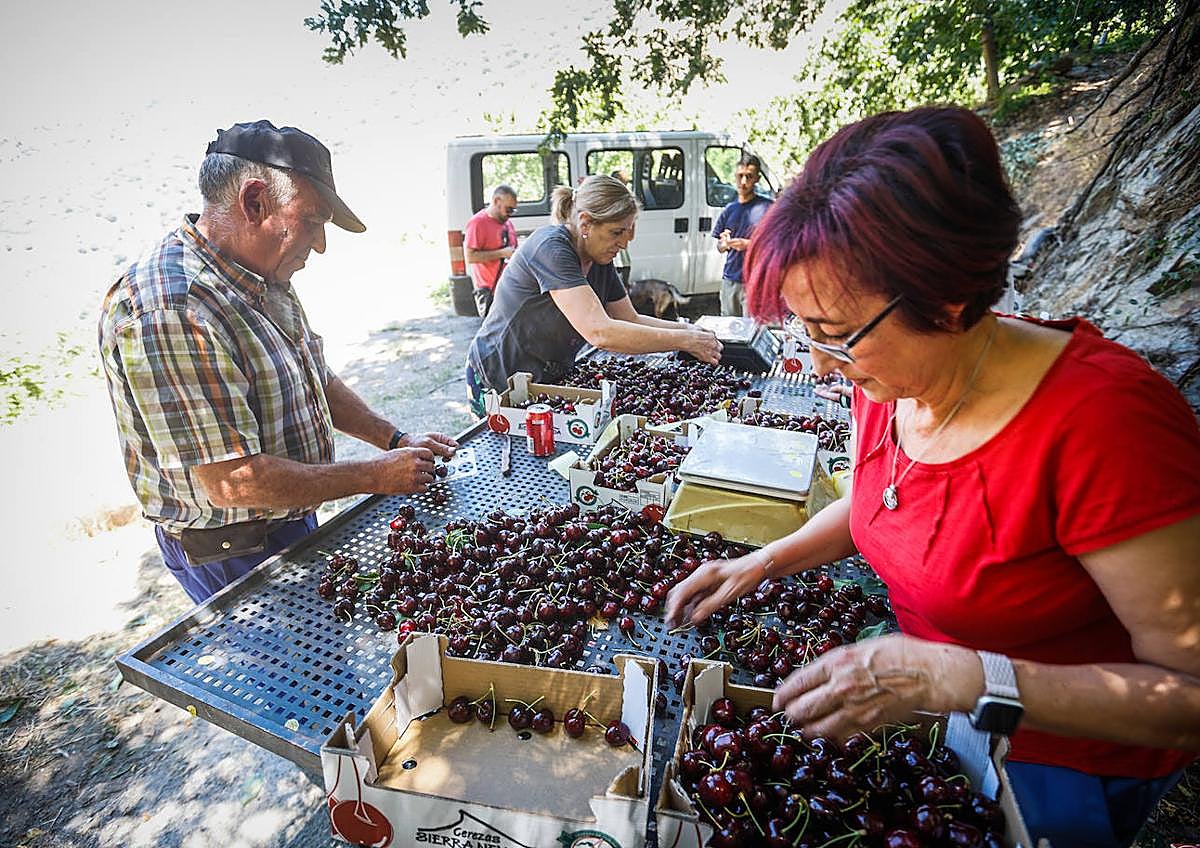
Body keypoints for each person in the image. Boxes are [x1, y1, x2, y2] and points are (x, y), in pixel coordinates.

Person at [666, 107, 1199, 847]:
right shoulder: (888, 379)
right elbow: (885, 499)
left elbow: (1189, 695)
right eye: (801, 330)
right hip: (942, 719)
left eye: (833, 336)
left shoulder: (1107, 425)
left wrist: (965, 679)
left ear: (945, 303)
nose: (818, 364)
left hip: (1064, 764)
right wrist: (763, 562)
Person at [99, 120, 458, 605]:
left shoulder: (263, 278)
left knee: (331, 645)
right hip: (234, 550)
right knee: (294, 657)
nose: (321, 244)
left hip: (290, 514)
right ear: (254, 203)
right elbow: (233, 482)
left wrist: (395, 440)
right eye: (312, 221)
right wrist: (374, 475)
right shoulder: (172, 309)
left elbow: (314, 379)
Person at [465, 174, 722, 414]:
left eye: (628, 232)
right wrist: (684, 341)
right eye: (617, 232)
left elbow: (629, 319)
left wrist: (688, 330)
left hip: (545, 379)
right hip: (499, 378)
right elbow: (599, 332)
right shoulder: (551, 248)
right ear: (586, 223)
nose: (624, 243)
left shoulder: (599, 259)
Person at [712, 153, 772, 317]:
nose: (743, 181)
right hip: (730, 280)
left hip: (756, 282)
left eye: (749, 176)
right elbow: (720, 246)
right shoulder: (729, 209)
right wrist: (724, 244)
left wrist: (749, 245)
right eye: (740, 176)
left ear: (757, 179)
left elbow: (777, 245)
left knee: (753, 328)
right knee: (728, 327)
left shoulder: (768, 208)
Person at [463, 184, 519, 318]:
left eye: (513, 210)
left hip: (510, 290)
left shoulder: (507, 224)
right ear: (496, 201)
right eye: (508, 209)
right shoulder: (478, 222)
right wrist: (501, 253)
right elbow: (470, 257)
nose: (510, 214)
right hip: (490, 292)